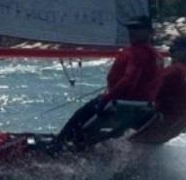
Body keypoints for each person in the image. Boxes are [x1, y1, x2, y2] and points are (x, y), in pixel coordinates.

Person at [50, 15, 163, 153]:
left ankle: (57, 146)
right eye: (130, 28)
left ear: (149, 32)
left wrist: (108, 98)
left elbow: (129, 80)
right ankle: (92, 148)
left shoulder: (137, 52)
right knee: (107, 128)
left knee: (79, 116)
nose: (132, 32)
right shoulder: (157, 56)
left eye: (137, 28)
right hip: (138, 107)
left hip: (120, 103)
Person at [131, 35, 186, 146]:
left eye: (173, 50)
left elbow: (147, 92)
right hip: (176, 129)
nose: (170, 54)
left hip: (158, 123)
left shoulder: (176, 70)